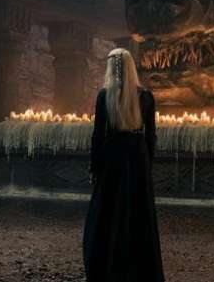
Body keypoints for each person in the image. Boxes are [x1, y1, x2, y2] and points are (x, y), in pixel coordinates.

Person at [83, 48, 165, 282]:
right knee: (138, 212)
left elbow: (98, 135)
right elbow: (151, 135)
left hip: (113, 155)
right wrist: (147, 164)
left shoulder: (104, 96)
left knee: (108, 210)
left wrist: (95, 166)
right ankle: (139, 268)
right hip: (137, 156)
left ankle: (108, 264)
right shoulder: (146, 96)